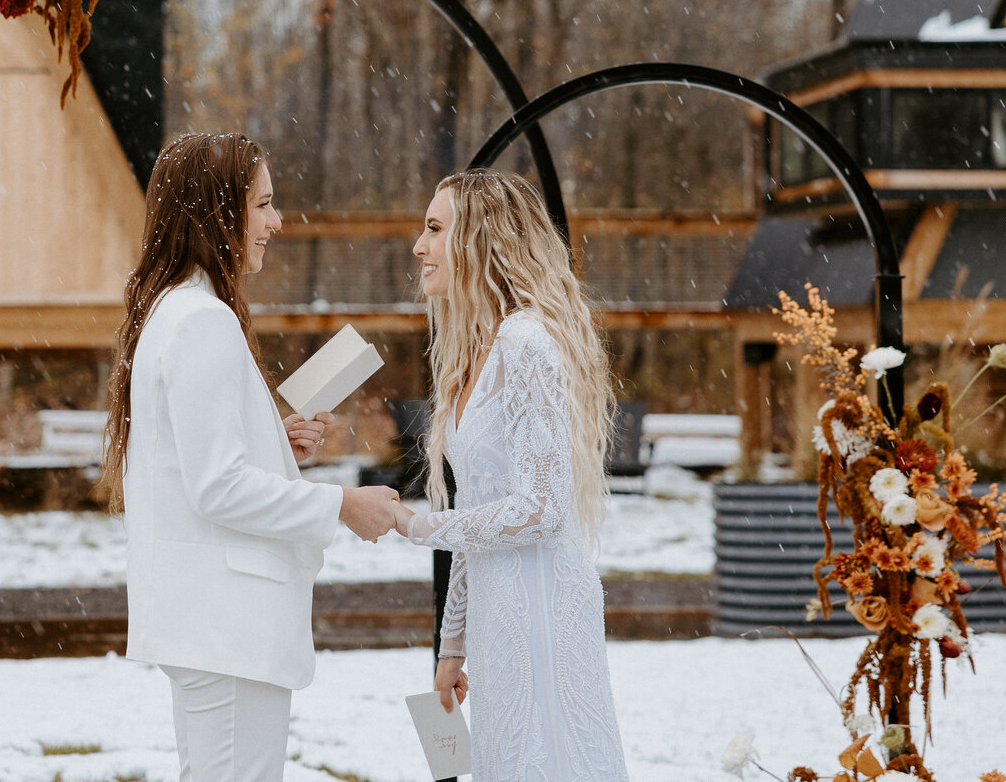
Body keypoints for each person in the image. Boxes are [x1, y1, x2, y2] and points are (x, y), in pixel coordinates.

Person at [101, 132, 399, 782]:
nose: (277, 220)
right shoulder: (203, 320)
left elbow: (190, 461)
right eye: (263, 203)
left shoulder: (171, 311)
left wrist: (273, 438)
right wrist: (344, 503)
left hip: (207, 618)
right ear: (218, 209)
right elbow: (218, 486)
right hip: (227, 623)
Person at [393, 169, 629, 781]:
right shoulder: (479, 350)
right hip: (500, 619)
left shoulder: (526, 343)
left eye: (435, 229)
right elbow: (482, 510)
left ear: (482, 240)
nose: (419, 246)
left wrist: (416, 526)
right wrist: (452, 645)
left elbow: (540, 508)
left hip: (542, 609)